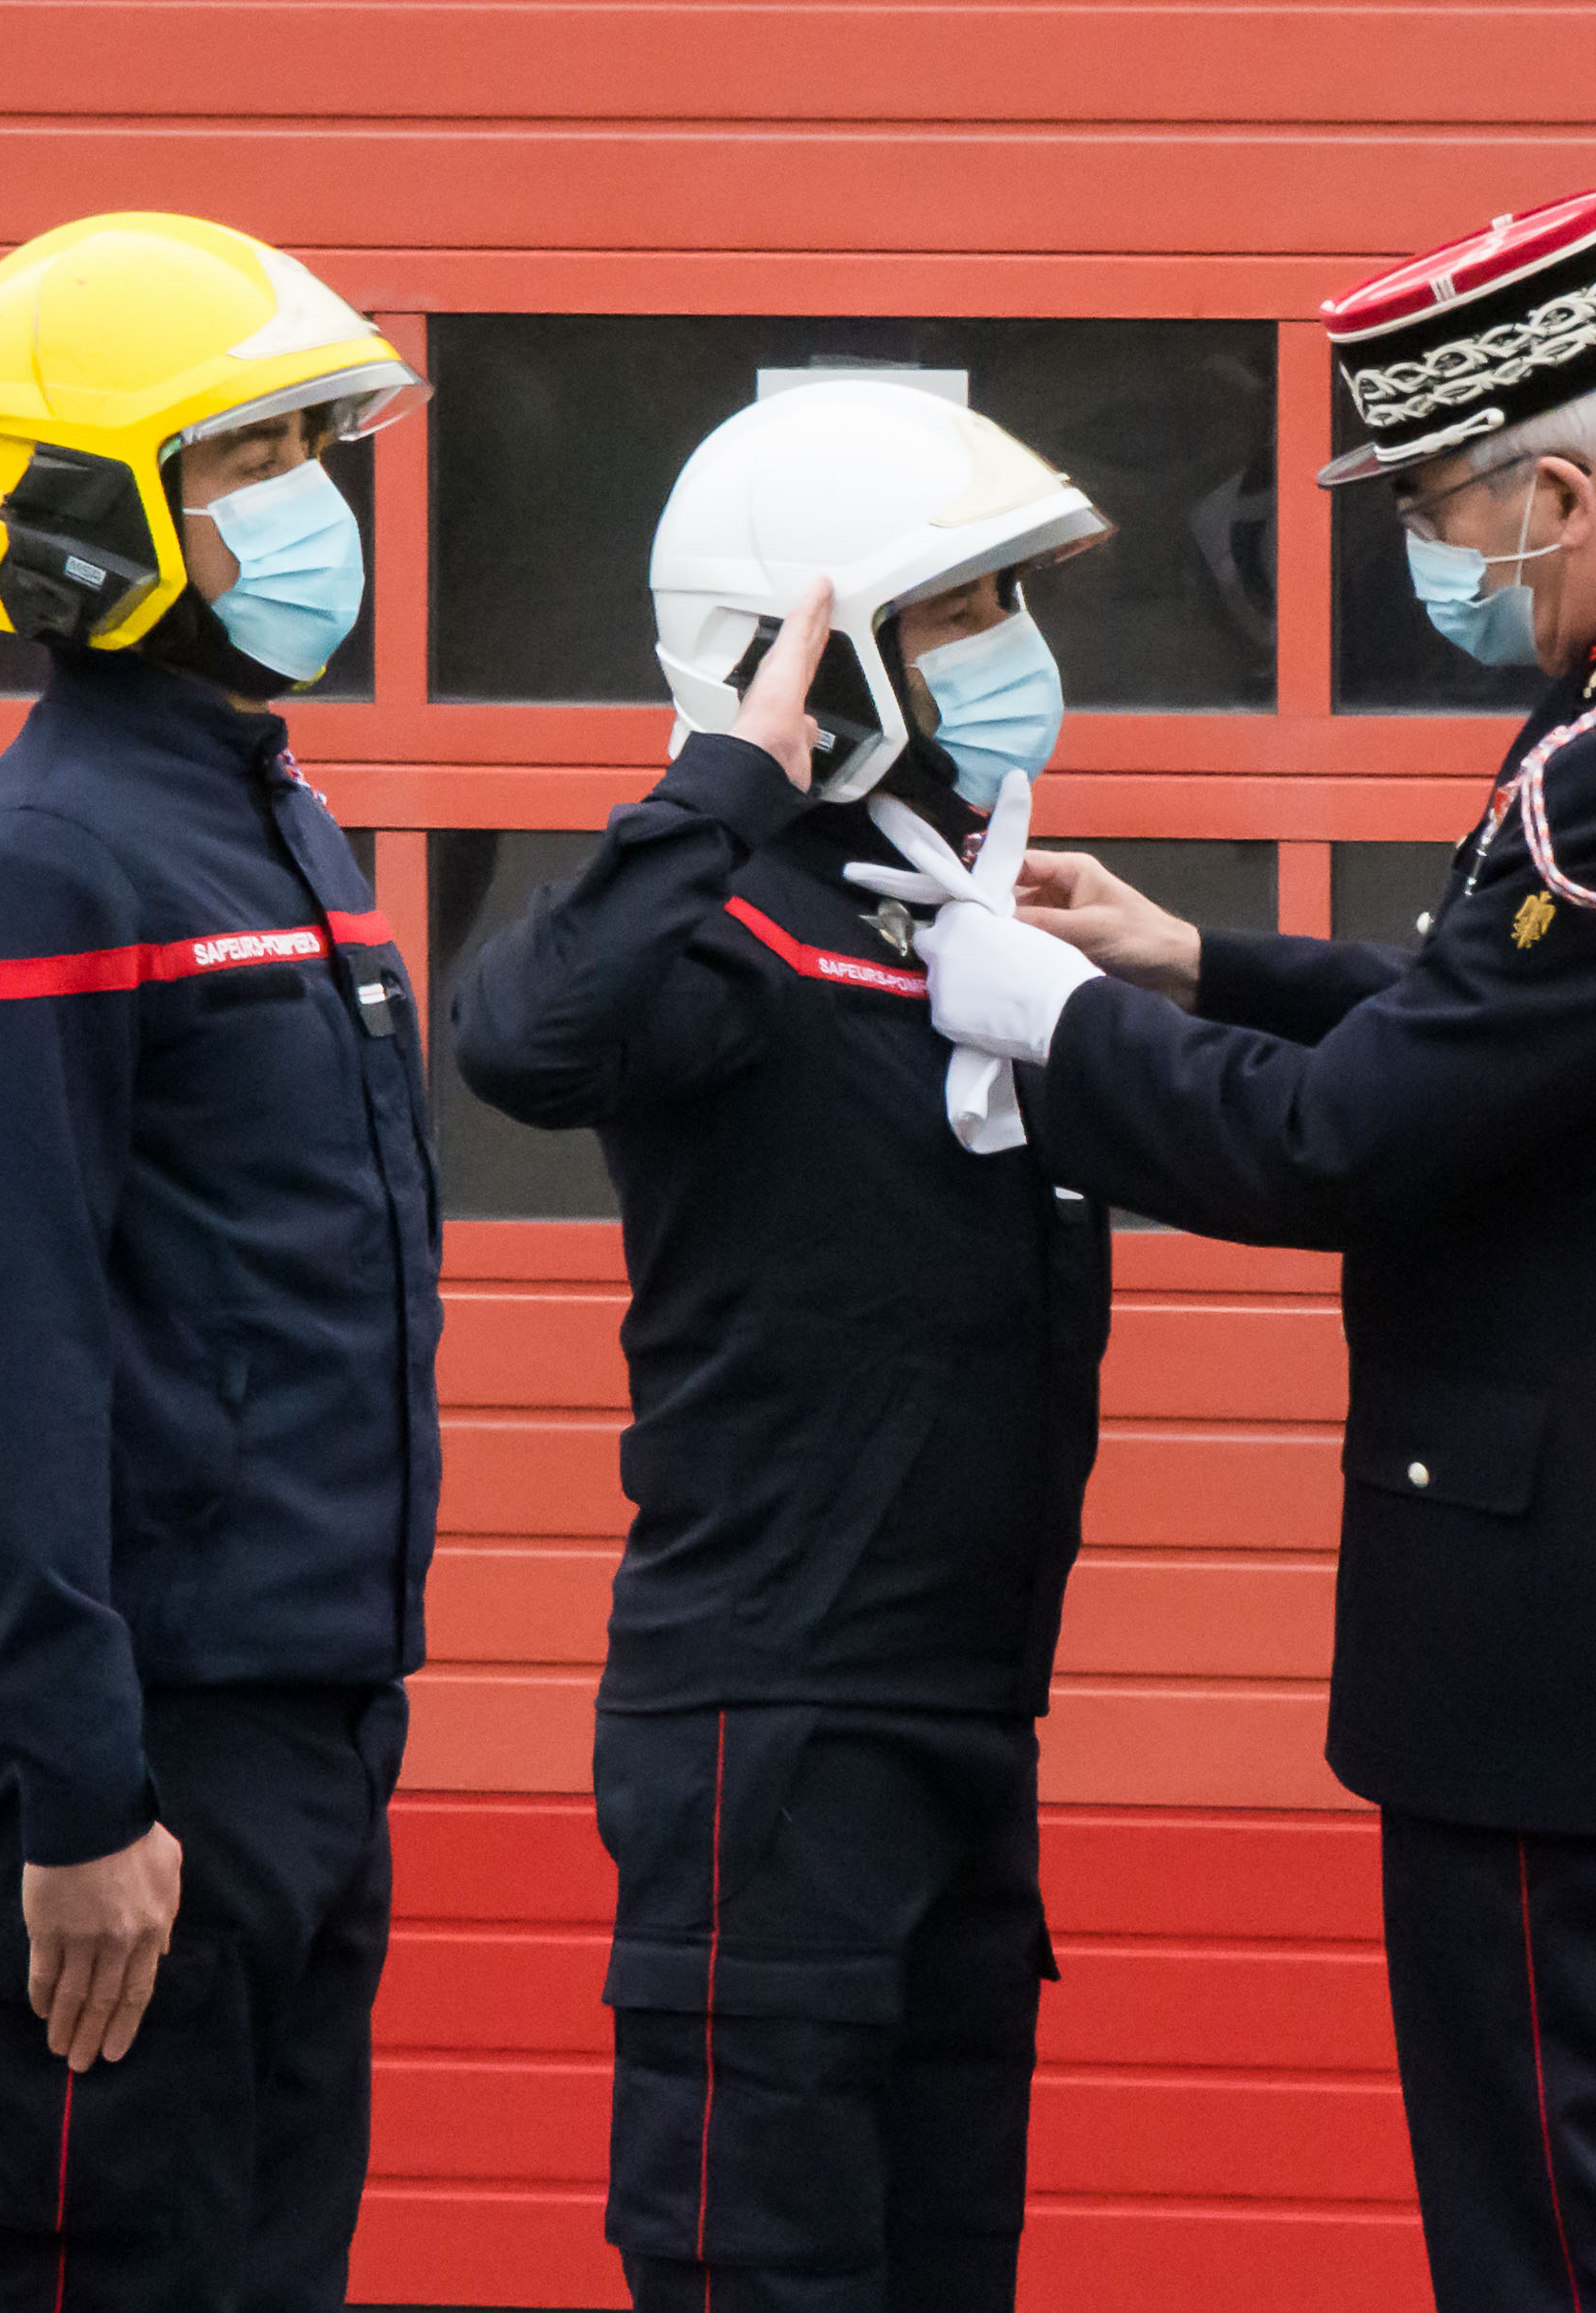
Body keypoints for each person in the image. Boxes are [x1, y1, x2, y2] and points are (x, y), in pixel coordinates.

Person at [904, 185, 1596, 2311]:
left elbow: (1354, 1143)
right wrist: (1199, 961)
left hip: (1570, 1634)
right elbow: (1536, 1036)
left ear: (1554, 487)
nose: (1419, 555)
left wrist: (1058, 1028)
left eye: (1427, 503)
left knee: (1576, 2234)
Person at [448, 377, 1116, 2313]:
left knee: (940, 2268)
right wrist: (725, 771)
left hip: (961, 1727)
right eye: (966, 614)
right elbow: (526, 1035)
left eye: (1018, 603)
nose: (1021, 659)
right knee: (765, 2269)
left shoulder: (956, 932)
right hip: (774, 1731)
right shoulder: (722, 927)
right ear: (822, 662)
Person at [0, 211, 438, 2308]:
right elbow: (4, 1364)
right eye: (249, 459)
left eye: (316, 445)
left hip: (302, 1728)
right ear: (83, 519)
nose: (312, 502)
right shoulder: (35, 865)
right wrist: (81, 1789)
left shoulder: (267, 815)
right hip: (147, 1760)